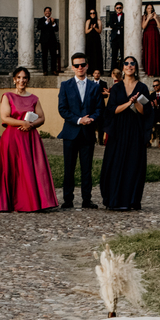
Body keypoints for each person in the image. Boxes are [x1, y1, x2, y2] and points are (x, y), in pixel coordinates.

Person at [0, 66, 57, 212]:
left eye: (24, 78)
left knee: (29, 169)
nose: (22, 80)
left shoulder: (34, 98)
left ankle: (29, 202)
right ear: (14, 79)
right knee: (11, 168)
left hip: (30, 138)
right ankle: (8, 203)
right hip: (12, 137)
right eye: (19, 77)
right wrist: (23, 123)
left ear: (28, 80)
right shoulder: (7, 96)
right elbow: (5, 117)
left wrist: (31, 125)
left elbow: (42, 117)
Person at [100, 56, 152, 211]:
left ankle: (131, 200)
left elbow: (145, 112)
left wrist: (136, 102)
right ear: (122, 68)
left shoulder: (142, 88)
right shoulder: (116, 88)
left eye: (132, 63)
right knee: (115, 163)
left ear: (135, 67)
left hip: (135, 130)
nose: (129, 66)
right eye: (126, 63)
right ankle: (115, 199)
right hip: (118, 130)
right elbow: (112, 110)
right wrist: (128, 102)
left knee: (133, 164)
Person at [57, 53, 102, 209]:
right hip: (70, 133)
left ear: (87, 66)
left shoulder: (95, 87)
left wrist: (91, 119)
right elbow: (62, 109)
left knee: (86, 169)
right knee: (69, 168)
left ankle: (86, 200)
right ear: (72, 67)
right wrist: (79, 120)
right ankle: (68, 200)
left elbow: (99, 108)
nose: (80, 68)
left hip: (87, 133)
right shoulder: (65, 85)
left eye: (82, 65)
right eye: (76, 65)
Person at [141, 5, 160, 77]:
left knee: (154, 52)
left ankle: (155, 71)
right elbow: (143, 26)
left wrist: (155, 18)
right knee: (148, 52)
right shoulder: (144, 16)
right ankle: (148, 71)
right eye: (148, 8)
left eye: (151, 8)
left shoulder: (156, 16)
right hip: (147, 35)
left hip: (155, 34)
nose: (150, 10)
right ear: (146, 9)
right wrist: (148, 18)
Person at [38, 8, 60, 76]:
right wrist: (46, 22)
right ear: (44, 12)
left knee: (53, 56)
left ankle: (53, 70)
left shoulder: (53, 20)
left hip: (52, 41)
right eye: (46, 11)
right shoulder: (41, 20)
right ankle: (45, 71)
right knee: (44, 56)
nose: (48, 12)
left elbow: (56, 29)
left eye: (49, 11)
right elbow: (39, 27)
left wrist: (53, 23)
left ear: (50, 13)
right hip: (44, 41)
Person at [84, 9, 104, 78]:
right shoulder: (88, 21)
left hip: (96, 40)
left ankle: (97, 71)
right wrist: (91, 28)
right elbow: (86, 31)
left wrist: (95, 28)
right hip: (90, 39)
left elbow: (100, 31)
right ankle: (89, 71)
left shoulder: (99, 21)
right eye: (91, 13)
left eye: (93, 13)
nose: (92, 14)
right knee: (90, 54)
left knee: (96, 54)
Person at [108, 3, 125, 68]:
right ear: (115, 8)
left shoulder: (124, 15)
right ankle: (112, 70)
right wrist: (120, 25)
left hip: (122, 37)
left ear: (122, 8)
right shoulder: (112, 15)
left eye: (120, 7)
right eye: (117, 8)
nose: (119, 9)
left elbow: (125, 24)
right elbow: (111, 25)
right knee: (114, 55)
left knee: (122, 54)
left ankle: (122, 69)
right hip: (114, 37)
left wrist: (116, 24)